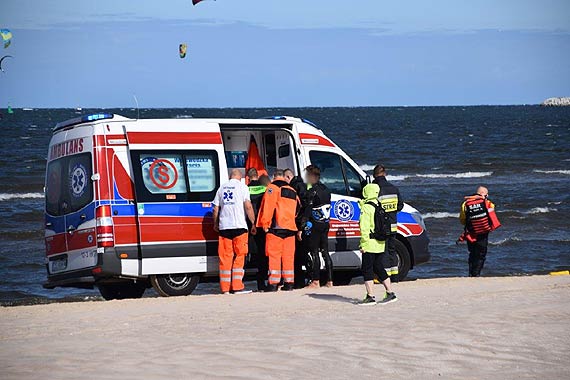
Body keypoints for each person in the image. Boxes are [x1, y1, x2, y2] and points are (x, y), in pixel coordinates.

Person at [212, 169, 257, 294]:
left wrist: (215, 223)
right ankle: (237, 287)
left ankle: (225, 289)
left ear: (230, 176)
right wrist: (253, 222)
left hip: (224, 227)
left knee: (225, 258)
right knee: (240, 255)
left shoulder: (221, 189)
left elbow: (215, 209)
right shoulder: (243, 187)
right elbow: (248, 206)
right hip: (239, 227)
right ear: (241, 177)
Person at [256, 169, 300, 292]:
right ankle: (289, 282)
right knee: (288, 256)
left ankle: (273, 284)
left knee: (274, 256)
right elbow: (298, 208)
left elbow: (268, 207)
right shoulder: (292, 190)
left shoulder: (272, 188)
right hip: (290, 227)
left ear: (274, 177)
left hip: (276, 228)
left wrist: (265, 224)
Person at [358, 183, 398, 305]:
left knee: (367, 269)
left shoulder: (366, 208)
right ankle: (390, 292)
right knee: (379, 267)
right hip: (380, 243)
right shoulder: (379, 206)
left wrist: (363, 244)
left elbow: (364, 228)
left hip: (369, 244)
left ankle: (370, 296)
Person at [303, 165, 333, 288]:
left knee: (314, 252)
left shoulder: (312, 191)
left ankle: (316, 280)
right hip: (325, 223)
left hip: (316, 225)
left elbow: (308, 210)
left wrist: (303, 224)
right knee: (325, 252)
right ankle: (330, 280)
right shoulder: (326, 189)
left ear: (312, 176)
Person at [459, 186, 500, 277]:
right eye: (486, 194)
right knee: (481, 254)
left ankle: (471, 273)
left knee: (472, 253)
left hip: (471, 233)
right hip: (483, 232)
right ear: (483, 194)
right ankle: (476, 274)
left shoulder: (465, 204)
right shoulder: (488, 203)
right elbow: (492, 217)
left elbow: (462, 220)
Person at [372, 164, 403, 282]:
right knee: (392, 250)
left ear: (374, 175)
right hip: (393, 225)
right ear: (385, 174)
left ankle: (384, 277)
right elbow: (400, 205)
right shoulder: (394, 188)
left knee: (382, 251)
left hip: (381, 227)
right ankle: (395, 276)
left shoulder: (375, 189)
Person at [284, 168, 309, 288]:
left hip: (299, 225)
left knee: (298, 255)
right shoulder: (298, 185)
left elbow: (303, 207)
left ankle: (300, 281)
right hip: (298, 224)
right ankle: (299, 281)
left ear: (288, 177)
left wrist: (300, 226)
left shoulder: (297, 187)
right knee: (297, 255)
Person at [246, 168, 268, 291]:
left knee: (250, 252)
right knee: (262, 253)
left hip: (250, 224)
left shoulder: (245, 189)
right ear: (257, 175)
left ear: (248, 177)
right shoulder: (264, 188)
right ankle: (262, 282)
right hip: (261, 223)